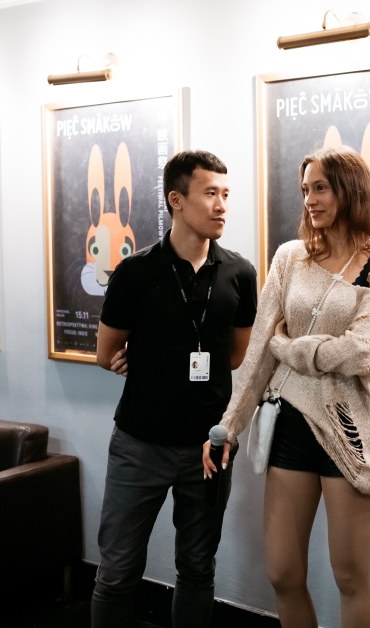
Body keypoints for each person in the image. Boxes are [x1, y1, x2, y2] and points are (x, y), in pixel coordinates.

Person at [203, 146, 370, 628]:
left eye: (321, 188)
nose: (310, 200)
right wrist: (229, 426)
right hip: (289, 425)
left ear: (350, 190)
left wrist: (290, 349)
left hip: (351, 431)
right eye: (305, 190)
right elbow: (259, 349)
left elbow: (361, 347)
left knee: (350, 576)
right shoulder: (290, 257)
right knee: (282, 572)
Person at [91, 150, 257, 628]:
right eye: (210, 193)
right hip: (138, 444)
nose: (222, 205)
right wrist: (135, 359)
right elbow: (106, 353)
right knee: (118, 571)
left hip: (208, 447)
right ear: (176, 200)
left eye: (226, 194)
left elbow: (235, 357)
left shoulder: (240, 273)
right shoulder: (136, 272)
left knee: (198, 568)